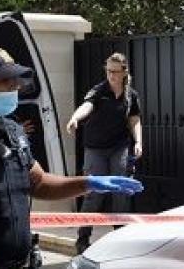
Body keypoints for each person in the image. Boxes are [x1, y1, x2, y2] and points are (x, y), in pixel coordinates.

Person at [0, 45, 143, 269]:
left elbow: (39, 183)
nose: (15, 86)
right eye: (3, 80)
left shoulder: (12, 131)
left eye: (14, 79)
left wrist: (88, 183)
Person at [66, 52, 143, 254]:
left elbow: (134, 119)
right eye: (108, 71)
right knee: (93, 193)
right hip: (96, 149)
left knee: (121, 191)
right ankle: (83, 239)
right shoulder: (99, 90)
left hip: (119, 146)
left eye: (115, 72)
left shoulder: (131, 95)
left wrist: (138, 142)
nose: (111, 75)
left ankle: (120, 237)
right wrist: (75, 118)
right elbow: (87, 105)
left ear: (124, 72)